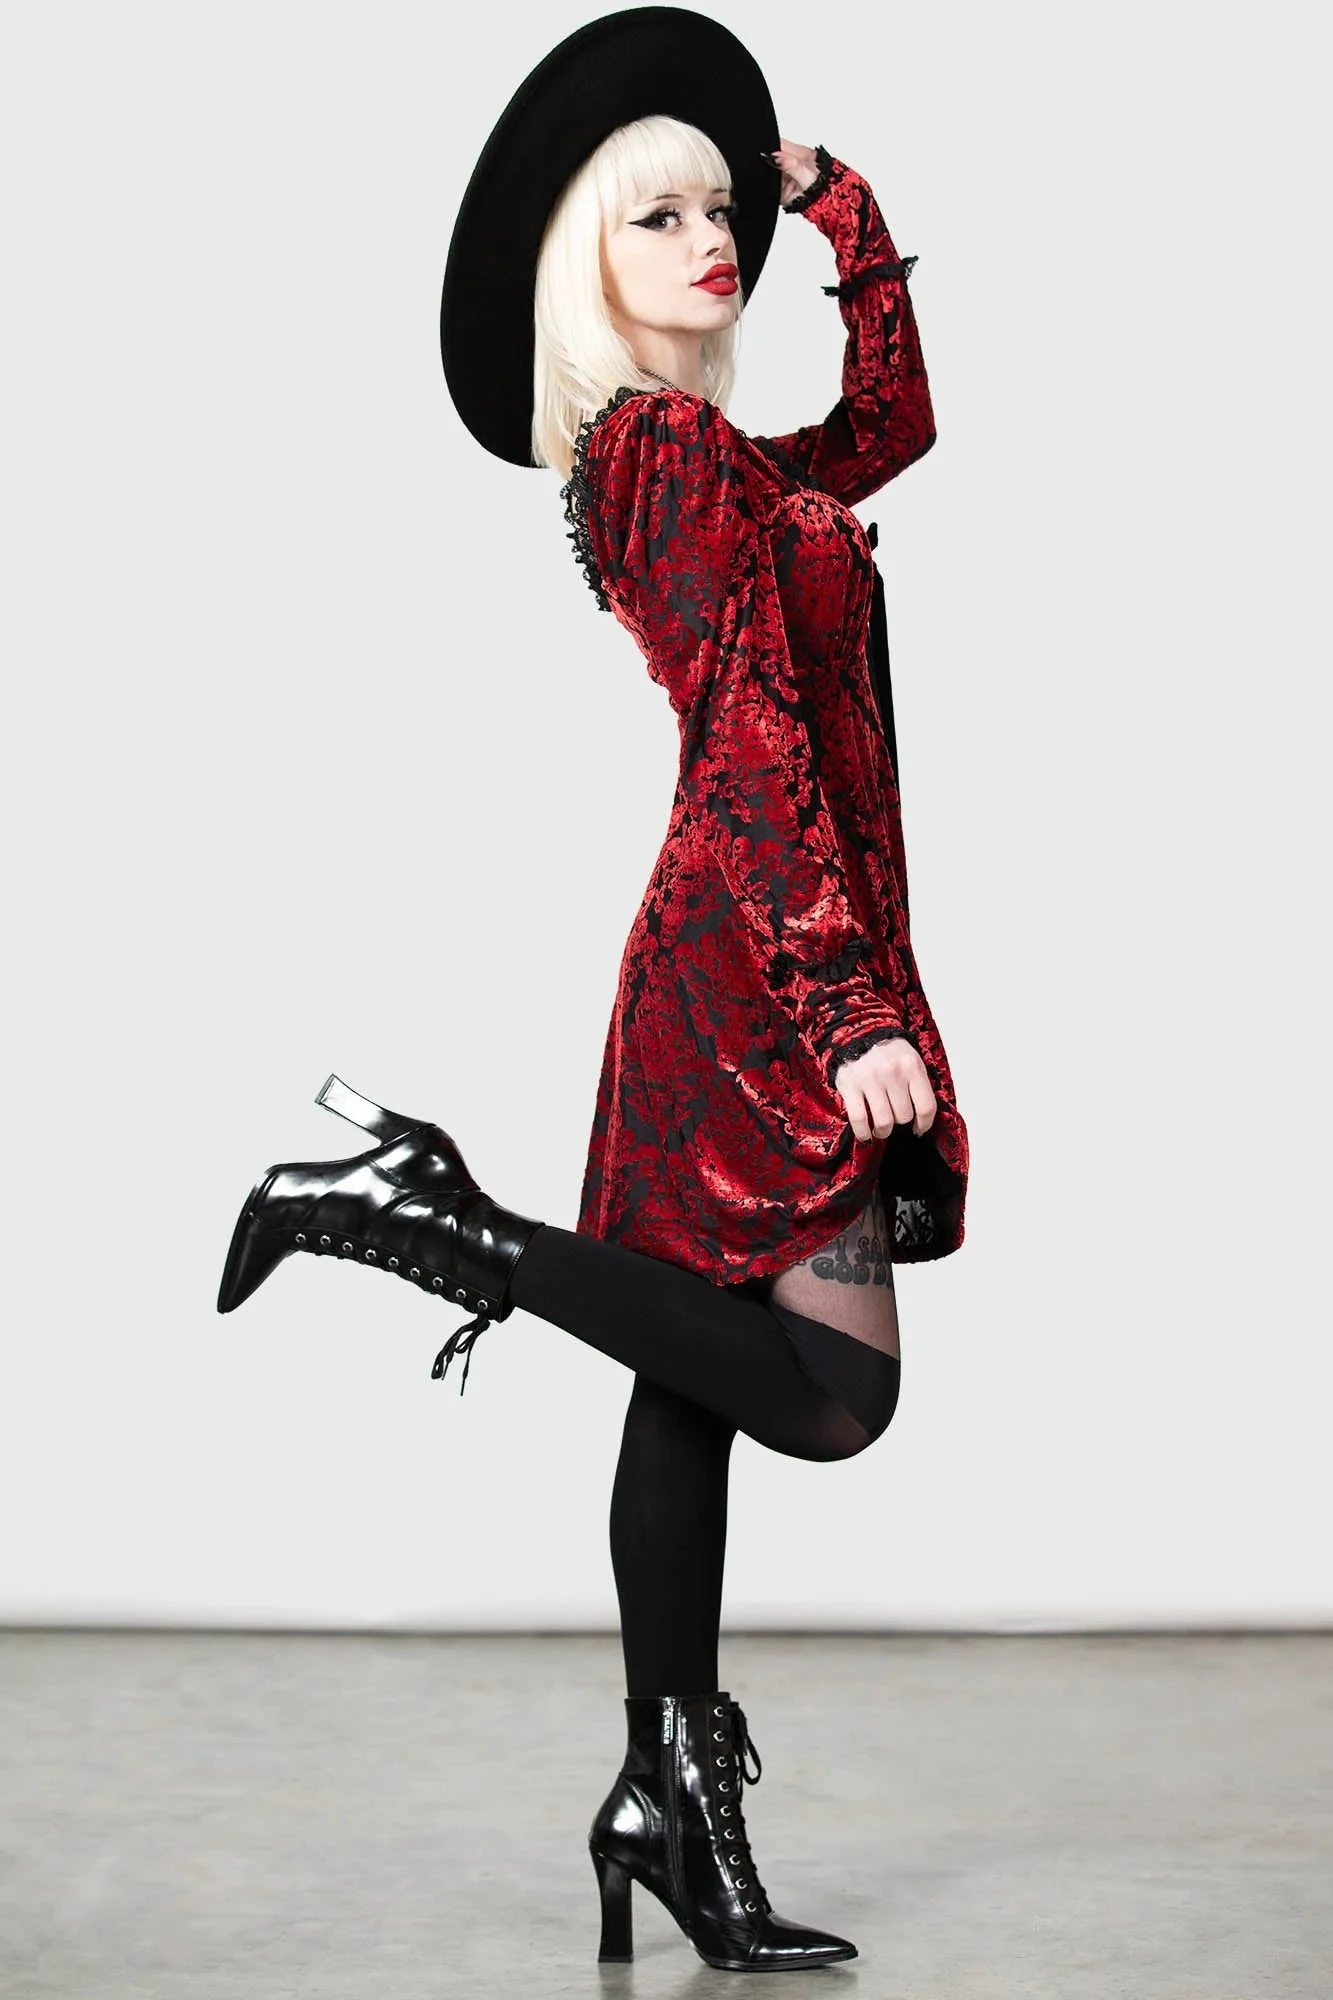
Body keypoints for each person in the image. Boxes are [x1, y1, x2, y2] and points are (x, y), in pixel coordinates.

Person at [216, 6, 969, 1975]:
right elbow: (747, 735)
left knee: (696, 1396)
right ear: (584, 265)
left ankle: (666, 1800)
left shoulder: (715, 456)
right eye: (661, 216)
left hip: (736, 950)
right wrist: (848, 1012)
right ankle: (438, 1224)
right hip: (754, 969)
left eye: (719, 210)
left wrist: (843, 214)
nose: (713, 241)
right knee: (837, 1396)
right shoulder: (653, 449)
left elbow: (887, 436)